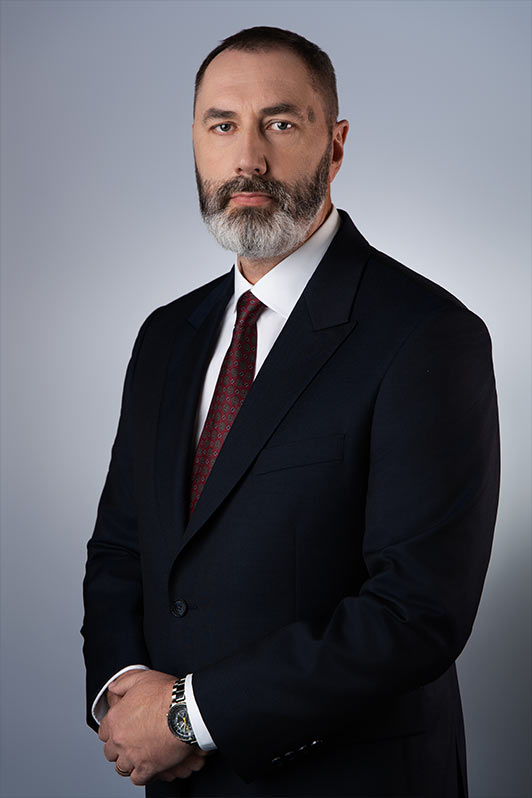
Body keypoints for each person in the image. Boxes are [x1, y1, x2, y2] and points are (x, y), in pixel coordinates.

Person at [81, 26, 500, 798]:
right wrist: (123, 687)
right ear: (195, 143)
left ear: (334, 147)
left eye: (279, 123)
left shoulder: (427, 335)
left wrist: (187, 716)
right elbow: (119, 550)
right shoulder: (166, 336)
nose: (248, 158)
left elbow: (416, 611)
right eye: (222, 125)